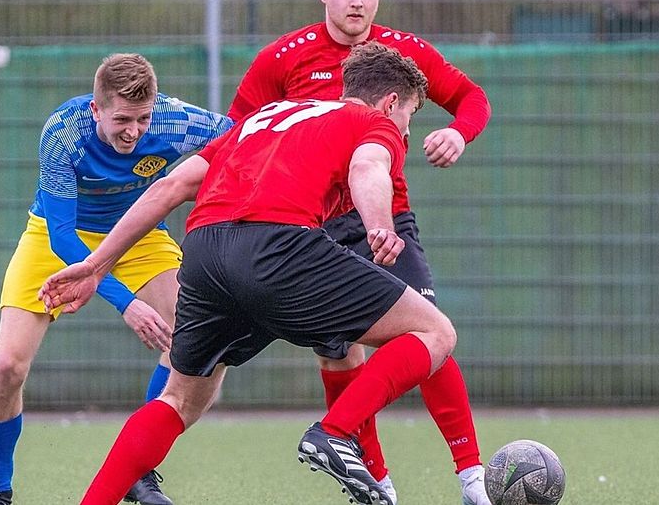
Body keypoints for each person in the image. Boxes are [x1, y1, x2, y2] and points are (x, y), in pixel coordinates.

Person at [40, 43, 455, 505]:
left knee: (181, 398)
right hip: (279, 244)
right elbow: (368, 166)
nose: (406, 129)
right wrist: (380, 226)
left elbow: (171, 186)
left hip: (204, 252)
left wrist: (96, 266)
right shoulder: (373, 123)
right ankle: (336, 432)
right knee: (434, 331)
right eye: (411, 116)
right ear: (391, 102)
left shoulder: (267, 116)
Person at [225, 0, 492, 503]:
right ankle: (378, 485)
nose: (355, 2)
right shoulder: (283, 57)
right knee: (339, 354)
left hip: (388, 217)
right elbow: (240, 133)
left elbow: (471, 98)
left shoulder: (401, 54)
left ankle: (472, 478)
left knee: (429, 332)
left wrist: (458, 133)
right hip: (313, 228)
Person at [0, 53, 233, 505]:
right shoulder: (64, 131)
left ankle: (139, 469)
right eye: (121, 120)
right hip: (59, 239)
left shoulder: (176, 122)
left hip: (139, 234)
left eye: (142, 118)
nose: (133, 131)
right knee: (6, 368)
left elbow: (246, 138)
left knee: (190, 340)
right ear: (96, 109)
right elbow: (61, 236)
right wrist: (127, 303)